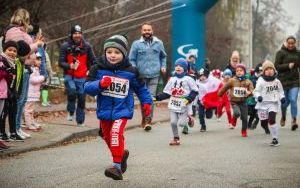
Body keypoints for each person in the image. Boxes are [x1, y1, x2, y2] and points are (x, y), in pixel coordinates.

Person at [84, 34, 152, 180]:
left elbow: (141, 89)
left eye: (117, 52)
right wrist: (100, 84)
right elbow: (87, 87)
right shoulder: (97, 69)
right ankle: (122, 155)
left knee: (115, 133)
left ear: (124, 53)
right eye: (109, 52)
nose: (112, 55)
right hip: (105, 110)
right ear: (105, 52)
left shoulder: (131, 71)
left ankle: (117, 167)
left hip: (123, 110)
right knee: (107, 136)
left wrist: (147, 103)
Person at [4, 8, 44, 139]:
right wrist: (37, 44)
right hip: (20, 67)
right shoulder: (14, 31)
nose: (29, 22)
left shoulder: (21, 31)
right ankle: (14, 129)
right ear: (23, 19)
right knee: (19, 100)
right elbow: (20, 51)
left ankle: (17, 128)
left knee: (22, 100)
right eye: (27, 19)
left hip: (27, 67)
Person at [129, 22, 167, 131]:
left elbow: (163, 56)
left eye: (148, 30)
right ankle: (144, 118)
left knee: (150, 98)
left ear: (152, 31)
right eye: (144, 30)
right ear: (141, 32)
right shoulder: (136, 44)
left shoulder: (158, 43)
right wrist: (134, 68)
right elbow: (131, 59)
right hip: (140, 76)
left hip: (154, 75)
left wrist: (163, 66)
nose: (147, 32)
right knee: (143, 99)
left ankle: (148, 120)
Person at [59, 24, 96, 126]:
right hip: (69, 75)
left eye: (79, 33)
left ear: (81, 34)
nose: (77, 35)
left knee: (81, 99)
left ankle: (80, 121)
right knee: (72, 92)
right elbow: (60, 62)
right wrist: (70, 66)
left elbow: (94, 61)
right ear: (71, 34)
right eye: (75, 33)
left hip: (82, 76)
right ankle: (70, 111)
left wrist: (90, 71)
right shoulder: (65, 46)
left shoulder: (87, 46)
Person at [156, 58, 198, 143]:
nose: (178, 67)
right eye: (176, 66)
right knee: (173, 122)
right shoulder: (172, 79)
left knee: (181, 124)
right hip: (173, 103)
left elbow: (195, 91)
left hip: (184, 104)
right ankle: (176, 138)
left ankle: (189, 119)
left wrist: (188, 99)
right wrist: (156, 98)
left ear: (185, 68)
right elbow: (167, 93)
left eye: (180, 66)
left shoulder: (188, 79)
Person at [0, 40, 31, 141]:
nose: (12, 53)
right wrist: (6, 73)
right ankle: (2, 133)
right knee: (3, 113)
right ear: (4, 50)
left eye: (14, 51)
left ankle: (13, 132)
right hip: (4, 92)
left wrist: (16, 91)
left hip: (12, 91)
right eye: (9, 50)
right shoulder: (3, 60)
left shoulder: (15, 62)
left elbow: (17, 79)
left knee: (13, 112)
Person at [253, 61, 285, 146]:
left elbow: (281, 91)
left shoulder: (277, 81)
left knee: (272, 119)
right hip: (262, 105)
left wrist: (282, 98)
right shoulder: (261, 81)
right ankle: (265, 126)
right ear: (263, 72)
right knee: (263, 122)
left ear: (274, 70)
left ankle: (275, 139)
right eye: (267, 69)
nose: (269, 71)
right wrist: (258, 96)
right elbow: (256, 91)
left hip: (273, 103)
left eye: (271, 69)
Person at [218, 64, 254, 137]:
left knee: (245, 118)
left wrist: (249, 92)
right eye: (237, 71)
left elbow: (252, 89)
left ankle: (244, 131)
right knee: (237, 113)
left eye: (241, 70)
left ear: (244, 72)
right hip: (234, 101)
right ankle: (234, 119)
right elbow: (225, 87)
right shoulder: (232, 80)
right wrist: (220, 94)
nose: (239, 72)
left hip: (243, 102)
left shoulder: (248, 81)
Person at [275, 36, 300, 131]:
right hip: (283, 81)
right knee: (284, 103)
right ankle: (284, 117)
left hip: (295, 80)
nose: (290, 45)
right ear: (286, 43)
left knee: (293, 99)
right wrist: (287, 66)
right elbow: (276, 66)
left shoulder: (298, 53)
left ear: (295, 43)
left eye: (292, 43)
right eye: (289, 43)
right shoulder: (280, 53)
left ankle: (294, 120)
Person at [24, 52, 45, 131]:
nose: (39, 61)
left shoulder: (36, 69)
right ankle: (29, 124)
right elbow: (32, 80)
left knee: (31, 110)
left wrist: (41, 80)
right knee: (28, 110)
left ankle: (32, 122)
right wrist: (42, 78)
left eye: (40, 60)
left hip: (34, 94)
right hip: (30, 94)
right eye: (37, 59)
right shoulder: (32, 69)